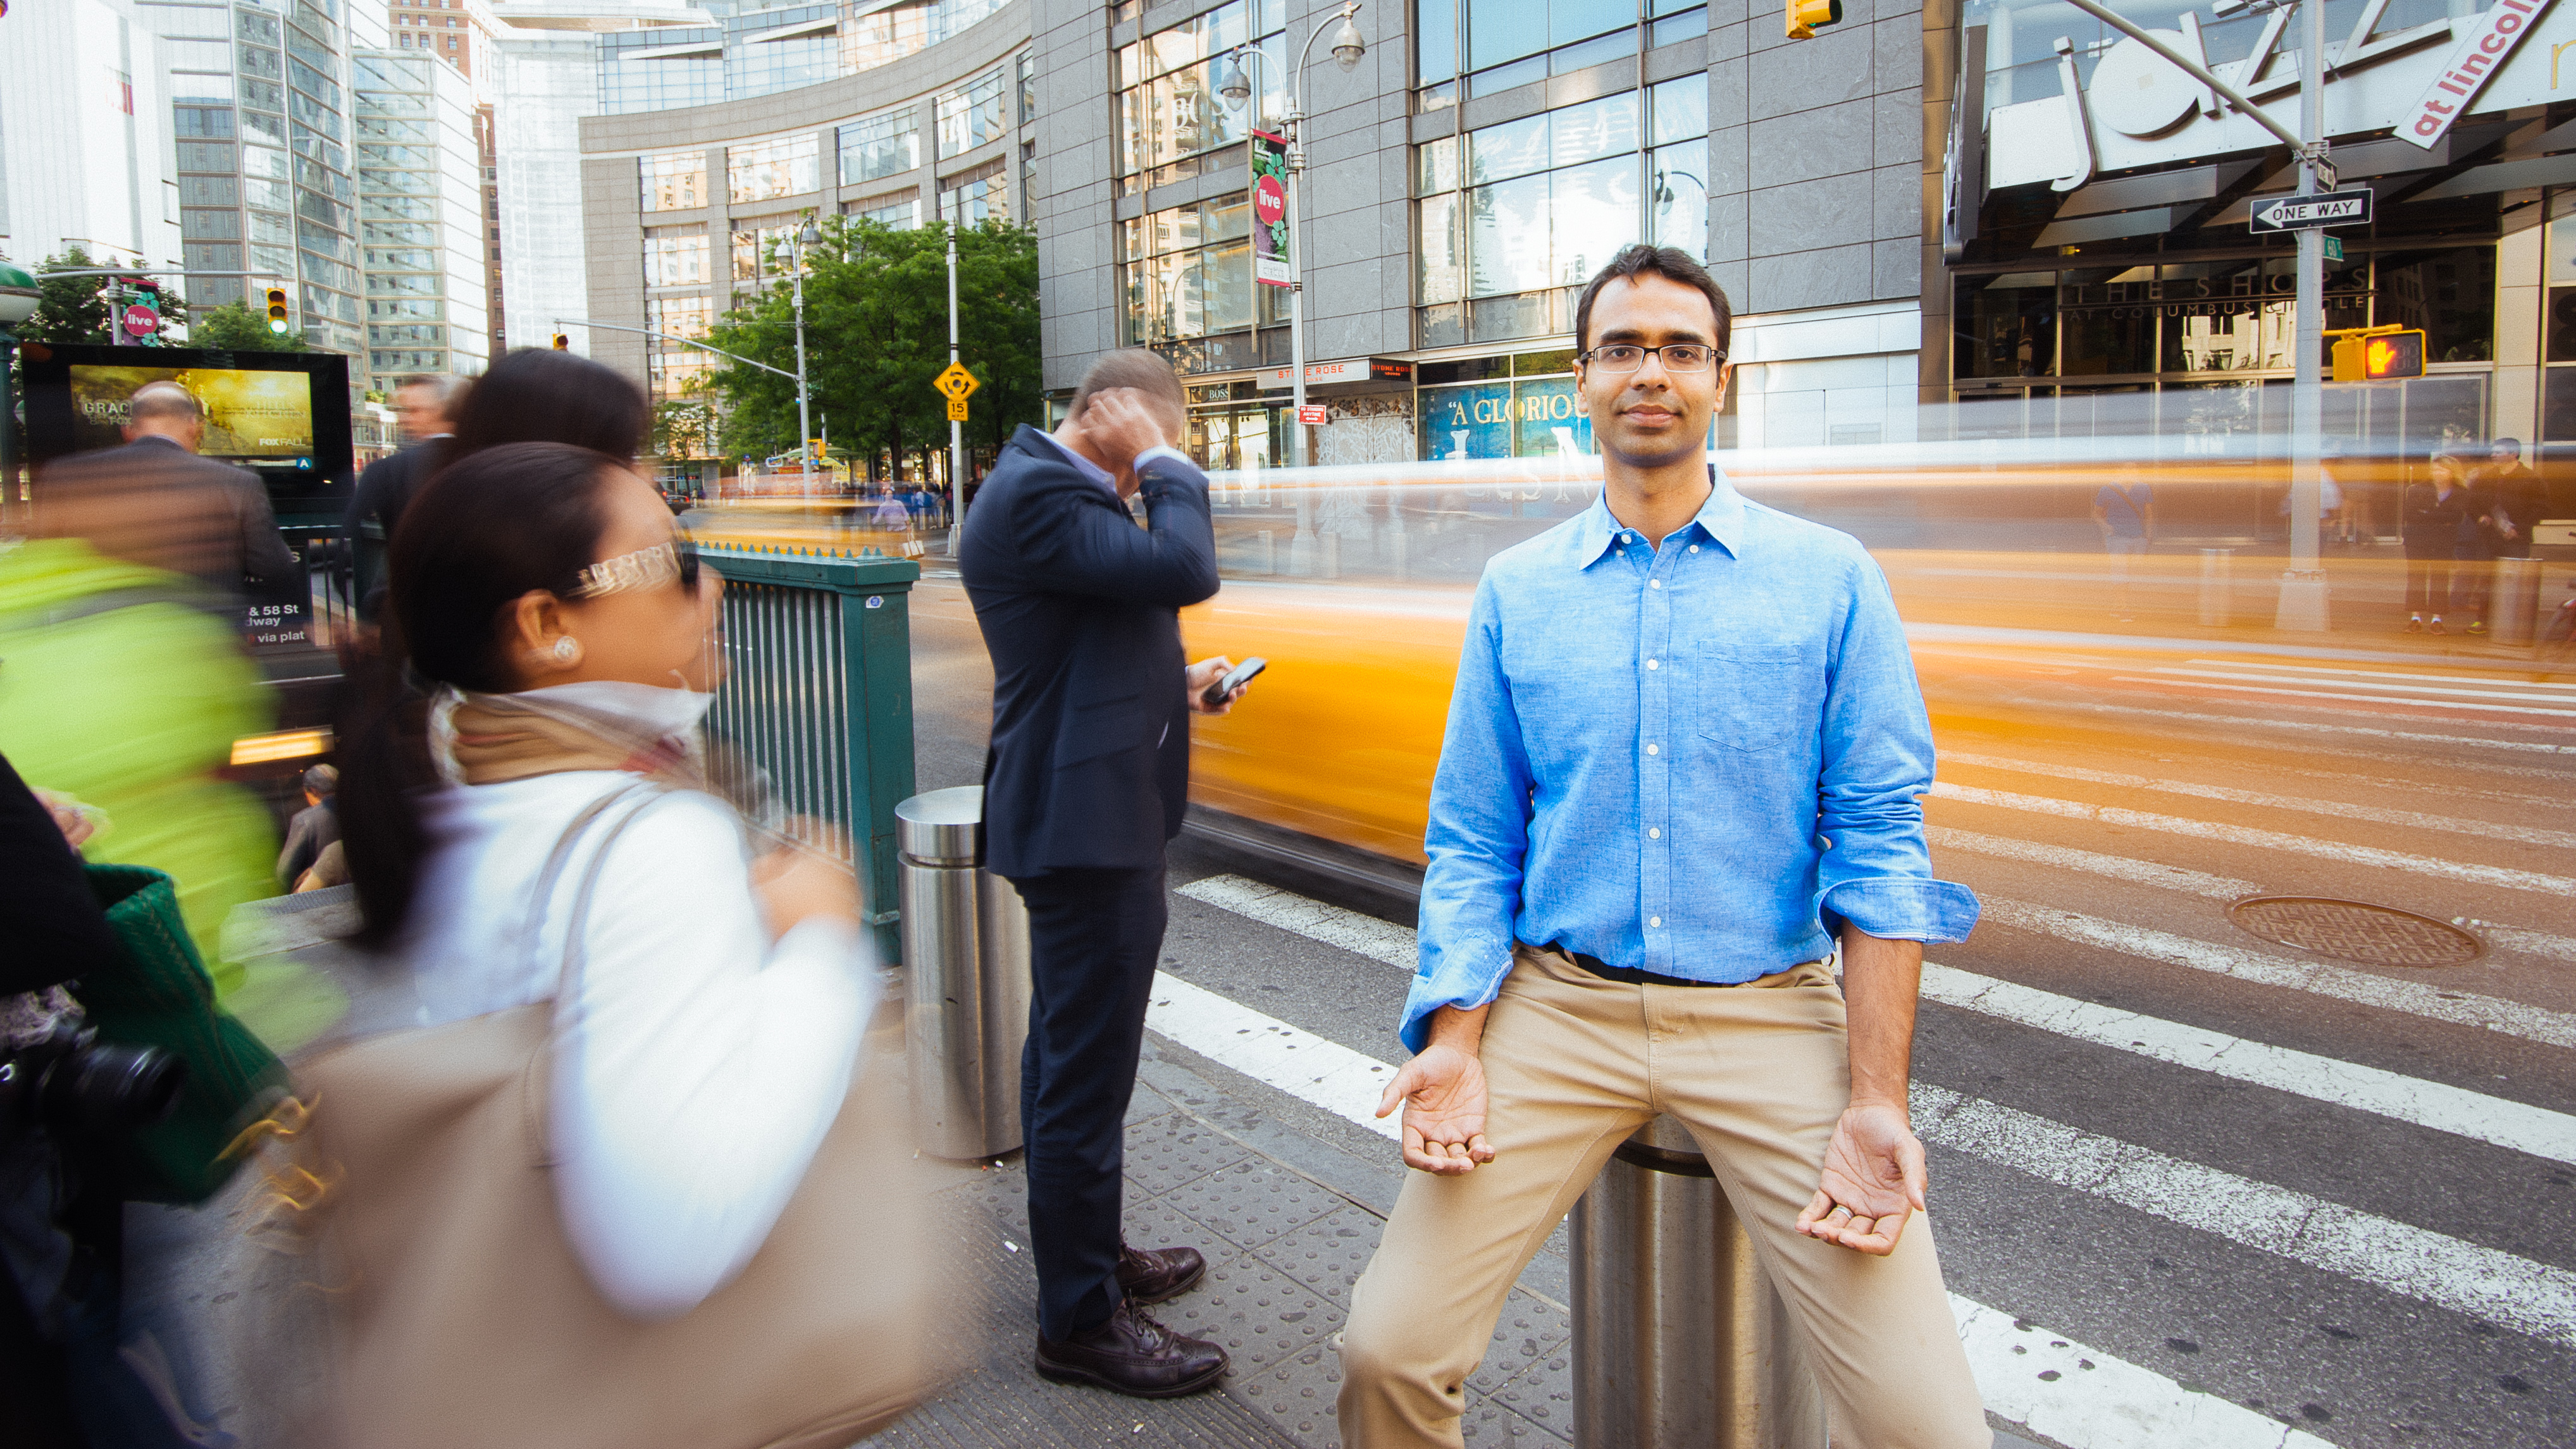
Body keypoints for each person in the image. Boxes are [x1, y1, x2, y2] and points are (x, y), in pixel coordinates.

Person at [1337, 245, 1989, 1449]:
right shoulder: (1517, 588)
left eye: (1681, 350)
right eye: (1623, 348)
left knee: (1929, 1429)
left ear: (1719, 382)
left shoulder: (1828, 579)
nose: (1653, 372)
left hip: (1768, 1010)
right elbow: (1475, 836)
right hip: (1558, 1009)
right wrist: (1455, 1033)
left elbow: (1882, 845)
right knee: (1387, 1351)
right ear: (1579, 381)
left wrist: (1876, 1100)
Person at [336, 439, 873, 1317]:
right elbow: (674, 1239)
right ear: (547, 627)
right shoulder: (654, 841)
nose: (714, 585)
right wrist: (818, 938)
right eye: (676, 562)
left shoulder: (460, 770)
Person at [958, 348, 1247, 1398]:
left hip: (1088, 811)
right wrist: (1166, 458)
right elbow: (1183, 570)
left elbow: (1084, 641)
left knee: (1066, 1056)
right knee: (1084, 1074)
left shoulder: (1047, 493)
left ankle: (1090, 1255)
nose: (1142, 483)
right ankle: (1079, 1320)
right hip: (1084, 828)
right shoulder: (1039, 486)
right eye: (1138, 451)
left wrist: (1183, 680)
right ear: (1110, 416)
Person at [34, 379, 299, 600]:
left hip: (97, 644)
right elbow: (274, 567)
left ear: (128, 431)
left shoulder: (65, 475)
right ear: (194, 426)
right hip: (201, 641)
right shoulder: (237, 482)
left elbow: (43, 563)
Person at [345, 373, 468, 622]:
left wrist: (371, 619)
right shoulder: (492, 463)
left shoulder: (387, 471)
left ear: (443, 411)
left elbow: (350, 543)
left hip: (412, 616)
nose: (403, 420)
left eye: (413, 411)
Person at [2401, 455, 2475, 634]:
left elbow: (2456, 517)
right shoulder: (2417, 489)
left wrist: (2428, 514)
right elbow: (2411, 515)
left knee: (2440, 578)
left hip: (2443, 541)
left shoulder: (2461, 492)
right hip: (2417, 540)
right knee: (2417, 578)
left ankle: (2437, 619)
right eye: (2434, 469)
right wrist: (2440, 517)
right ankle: (2415, 618)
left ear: (2452, 472)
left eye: (2442, 469)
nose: (2437, 473)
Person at [2090, 478, 2154, 621]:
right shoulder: (2108, 489)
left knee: (2134, 574)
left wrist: (2148, 535)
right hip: (2117, 537)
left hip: (2138, 537)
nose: (2128, 472)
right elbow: (2096, 512)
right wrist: (2106, 526)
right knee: (2121, 573)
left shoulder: (2144, 488)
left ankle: (2118, 606)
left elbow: (2148, 513)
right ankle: (2123, 608)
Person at [275, 763, 341, 889]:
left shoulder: (303, 820)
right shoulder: (359, 810)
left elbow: (284, 872)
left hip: (321, 897)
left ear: (313, 791)